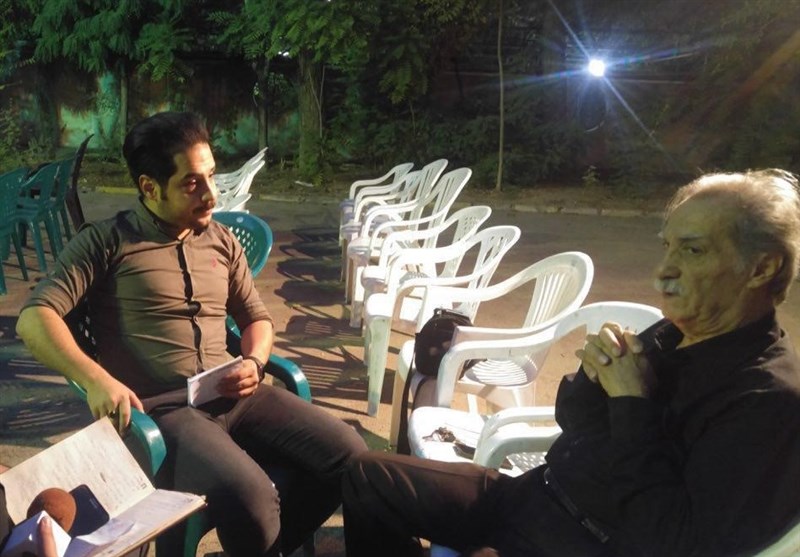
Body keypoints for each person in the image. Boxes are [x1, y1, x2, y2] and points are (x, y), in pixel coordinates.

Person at [340, 168, 800, 557]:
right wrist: (594, 377)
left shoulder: (767, 399)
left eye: (693, 250)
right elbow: (573, 419)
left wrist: (631, 402)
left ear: (762, 268)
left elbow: (672, 541)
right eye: (667, 247)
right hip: (535, 496)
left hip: (587, 541)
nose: (663, 271)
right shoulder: (672, 334)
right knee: (369, 478)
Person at [15, 111, 367, 557]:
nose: (211, 194)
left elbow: (257, 318)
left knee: (353, 458)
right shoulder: (107, 242)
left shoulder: (221, 240)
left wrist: (255, 361)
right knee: (252, 497)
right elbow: (35, 318)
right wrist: (96, 379)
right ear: (150, 188)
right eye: (192, 183)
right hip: (164, 415)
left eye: (212, 176)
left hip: (236, 395)